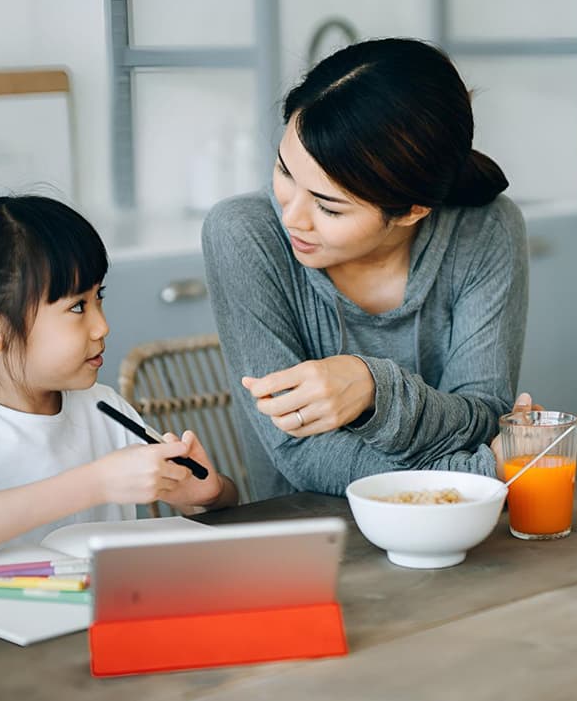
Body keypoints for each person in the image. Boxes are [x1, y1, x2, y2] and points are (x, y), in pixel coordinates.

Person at [202, 38, 531, 502]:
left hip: (459, 526)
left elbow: (485, 415)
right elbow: (299, 449)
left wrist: (374, 389)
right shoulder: (244, 233)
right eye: (285, 172)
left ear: (412, 211)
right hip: (305, 528)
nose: (292, 217)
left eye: (329, 207)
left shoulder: (485, 229)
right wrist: (475, 473)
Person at [0, 195, 237, 568]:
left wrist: (207, 494)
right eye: (77, 306)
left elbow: (224, 504)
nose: (102, 326)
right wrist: (94, 484)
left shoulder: (104, 407)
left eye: (99, 297)